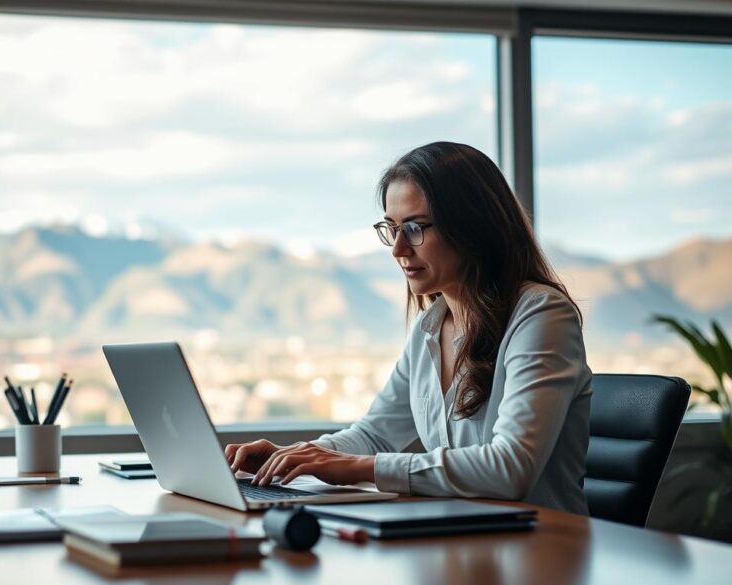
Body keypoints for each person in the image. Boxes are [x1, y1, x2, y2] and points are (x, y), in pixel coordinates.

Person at [225, 141, 593, 514]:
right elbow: (376, 435)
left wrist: (357, 468)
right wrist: (294, 457)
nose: (398, 249)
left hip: (542, 546)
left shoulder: (541, 314)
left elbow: (510, 467)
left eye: (415, 228)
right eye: (392, 228)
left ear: (472, 226)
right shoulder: (429, 327)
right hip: (463, 540)